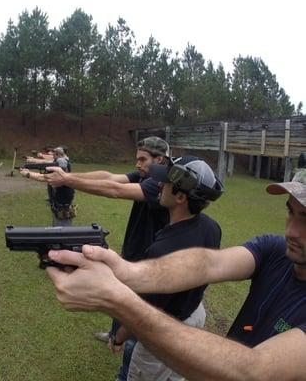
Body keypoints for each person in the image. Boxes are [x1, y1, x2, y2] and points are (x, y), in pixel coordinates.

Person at [46, 169, 306, 380]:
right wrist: (126, 272)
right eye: (290, 212)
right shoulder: (276, 249)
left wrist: (118, 300)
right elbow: (208, 264)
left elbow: (255, 371)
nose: (292, 231)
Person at [45, 136, 170, 380]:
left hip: (149, 258)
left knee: (137, 309)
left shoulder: (161, 182)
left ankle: (126, 347)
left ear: (160, 160)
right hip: (133, 251)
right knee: (119, 296)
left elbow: (115, 191)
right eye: (137, 159)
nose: (138, 164)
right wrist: (68, 174)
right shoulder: (146, 175)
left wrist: (67, 179)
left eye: (142, 160)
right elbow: (110, 177)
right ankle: (115, 336)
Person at [110, 156, 223, 380]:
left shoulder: (163, 249)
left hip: (164, 332)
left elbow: (144, 316)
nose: (159, 185)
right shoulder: (212, 228)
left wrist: (119, 336)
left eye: (166, 183)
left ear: (180, 196)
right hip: (194, 317)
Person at [20, 147, 75, 226]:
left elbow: (43, 177)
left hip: (63, 205)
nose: (52, 155)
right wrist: (32, 160)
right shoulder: (60, 161)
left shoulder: (61, 162)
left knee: (61, 231)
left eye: (53, 154)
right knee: (58, 226)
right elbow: (44, 161)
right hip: (60, 202)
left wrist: (28, 174)